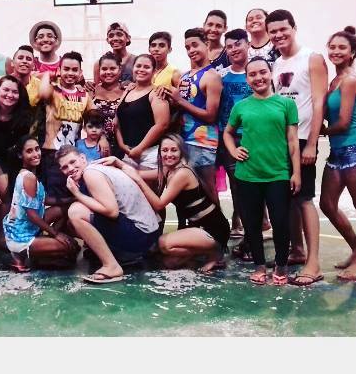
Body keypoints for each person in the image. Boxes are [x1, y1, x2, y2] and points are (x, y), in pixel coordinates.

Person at [98, 134, 230, 272]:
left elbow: (159, 204)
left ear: (181, 152)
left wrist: (138, 180)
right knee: (170, 262)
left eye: (174, 150)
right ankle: (201, 251)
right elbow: (139, 173)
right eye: (165, 150)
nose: (169, 154)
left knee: (163, 243)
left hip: (213, 229)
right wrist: (118, 163)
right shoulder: (168, 169)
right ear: (159, 152)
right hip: (198, 226)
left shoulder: (182, 173)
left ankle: (214, 252)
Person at [224, 57, 301, 286]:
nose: (258, 78)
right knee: (252, 223)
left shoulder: (286, 104)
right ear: (247, 79)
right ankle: (259, 266)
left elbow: (293, 141)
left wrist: (296, 172)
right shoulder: (241, 106)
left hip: (278, 173)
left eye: (262, 72)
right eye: (252, 74)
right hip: (247, 174)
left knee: (280, 222)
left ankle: (281, 265)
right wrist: (233, 150)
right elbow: (227, 132)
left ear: (270, 73)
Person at [268, 9, 328, 285]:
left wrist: (312, 143)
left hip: (304, 139)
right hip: (282, 140)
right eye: (273, 31)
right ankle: (297, 249)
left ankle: (313, 263)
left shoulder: (312, 58)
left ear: (294, 28)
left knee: (304, 199)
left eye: (283, 29)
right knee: (289, 197)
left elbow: (318, 102)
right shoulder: (277, 64)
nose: (279, 35)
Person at [319, 27, 356, 282]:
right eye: (332, 47)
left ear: (352, 53)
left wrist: (319, 131)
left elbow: (342, 123)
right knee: (327, 204)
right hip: (337, 152)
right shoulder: (335, 80)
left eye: (342, 47)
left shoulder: (350, 79)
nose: (336, 51)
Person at [59, 146, 160, 283]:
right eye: (65, 167)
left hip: (141, 236)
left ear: (82, 158)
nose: (70, 168)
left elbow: (112, 212)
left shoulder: (90, 173)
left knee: (75, 211)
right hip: (146, 234)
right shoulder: (94, 169)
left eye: (72, 162)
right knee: (72, 222)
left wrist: (77, 194)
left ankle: (111, 266)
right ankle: (119, 255)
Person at [159, 28, 222, 204]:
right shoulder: (185, 76)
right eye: (187, 47)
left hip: (202, 141)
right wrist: (169, 98)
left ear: (206, 44)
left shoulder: (212, 77)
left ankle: (218, 221)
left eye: (195, 45)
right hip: (183, 140)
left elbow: (211, 116)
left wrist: (179, 100)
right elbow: (182, 105)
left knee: (208, 188)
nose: (191, 50)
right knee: (187, 190)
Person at [3, 136, 80, 272]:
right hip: (21, 235)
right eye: (29, 151)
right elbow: (32, 215)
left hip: (28, 226)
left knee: (64, 209)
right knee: (69, 247)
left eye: (37, 149)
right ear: (20, 155)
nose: (35, 154)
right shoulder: (29, 177)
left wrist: (73, 199)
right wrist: (56, 234)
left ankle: (42, 248)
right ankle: (23, 254)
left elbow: (44, 200)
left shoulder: (30, 174)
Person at [39, 51, 94, 203]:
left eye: (75, 70)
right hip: (52, 152)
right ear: (59, 70)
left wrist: (100, 138)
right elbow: (43, 93)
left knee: (71, 193)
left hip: (72, 154)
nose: (70, 73)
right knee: (54, 197)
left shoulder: (84, 96)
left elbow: (95, 119)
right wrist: (48, 74)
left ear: (80, 72)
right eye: (66, 69)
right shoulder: (54, 90)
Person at [217, 29, 253, 238]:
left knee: (253, 183)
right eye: (229, 46)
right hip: (228, 137)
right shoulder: (221, 76)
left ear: (248, 44)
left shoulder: (258, 71)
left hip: (253, 137)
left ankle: (255, 226)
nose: (233, 49)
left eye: (237, 44)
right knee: (236, 183)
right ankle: (239, 221)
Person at [115, 54, 170, 170]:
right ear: (133, 68)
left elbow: (162, 125)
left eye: (146, 67)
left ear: (154, 71)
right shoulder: (128, 91)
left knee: (143, 182)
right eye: (138, 66)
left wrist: (140, 148)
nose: (141, 69)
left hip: (149, 153)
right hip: (128, 152)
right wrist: (122, 145)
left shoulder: (157, 93)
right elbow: (116, 120)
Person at [91, 52, 125, 158]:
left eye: (112, 68)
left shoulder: (128, 91)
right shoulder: (92, 91)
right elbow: (86, 120)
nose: (108, 72)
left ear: (120, 69)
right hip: (97, 146)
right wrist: (101, 137)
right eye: (104, 69)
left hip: (125, 146)